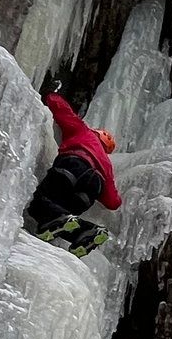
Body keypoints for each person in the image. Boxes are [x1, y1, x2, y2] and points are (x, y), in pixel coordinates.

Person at [27, 91, 123, 252]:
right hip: (94, 186)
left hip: (75, 165)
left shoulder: (84, 132)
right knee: (56, 216)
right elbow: (113, 202)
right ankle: (87, 232)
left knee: (39, 203)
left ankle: (61, 219)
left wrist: (51, 95)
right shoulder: (106, 165)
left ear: (96, 133)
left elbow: (62, 110)